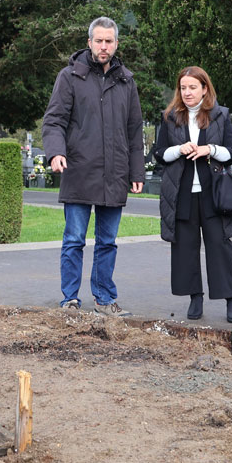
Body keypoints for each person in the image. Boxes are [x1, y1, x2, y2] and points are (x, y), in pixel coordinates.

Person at [42, 16, 144, 317]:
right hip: (79, 171)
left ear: (116, 44)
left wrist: (136, 171)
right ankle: (70, 300)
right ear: (89, 42)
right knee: (74, 240)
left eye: (108, 41)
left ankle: (104, 298)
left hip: (115, 174)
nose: (103, 46)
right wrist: (55, 153)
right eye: (98, 40)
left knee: (107, 242)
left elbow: (134, 130)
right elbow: (54, 120)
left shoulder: (126, 80)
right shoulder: (70, 77)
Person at [152, 66, 232, 323]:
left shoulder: (220, 115)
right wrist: (179, 149)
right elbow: (159, 155)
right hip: (181, 194)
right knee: (185, 248)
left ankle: (231, 299)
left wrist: (210, 149)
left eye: (193, 87)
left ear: (205, 88)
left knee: (220, 245)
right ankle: (195, 297)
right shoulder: (170, 117)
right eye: (183, 88)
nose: (187, 92)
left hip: (214, 194)